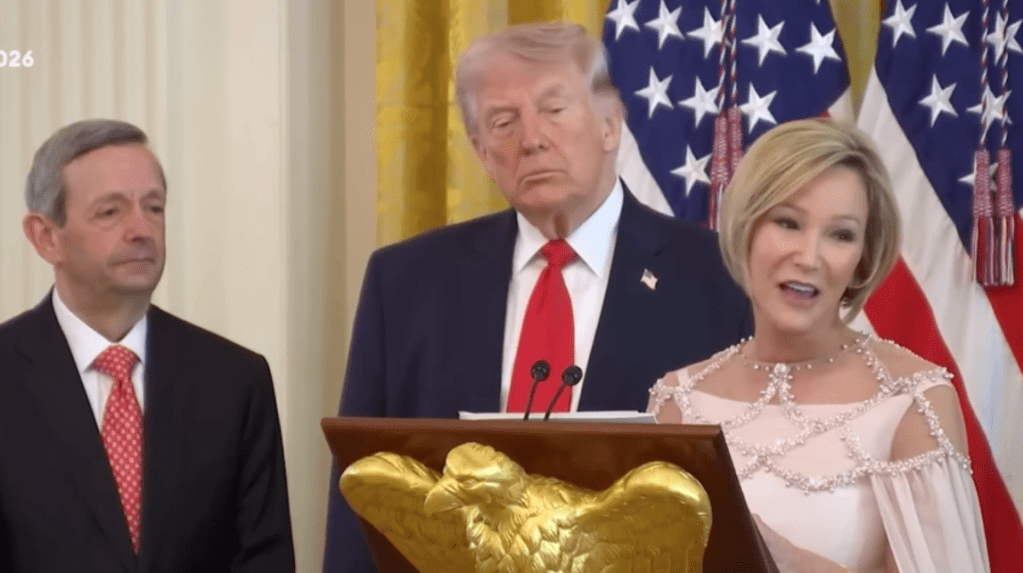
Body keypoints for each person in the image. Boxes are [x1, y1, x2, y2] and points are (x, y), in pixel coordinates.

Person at [323, 21, 751, 573]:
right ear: (481, 152)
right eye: (503, 122)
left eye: (554, 109)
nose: (531, 139)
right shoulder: (405, 282)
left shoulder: (718, 278)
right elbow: (360, 495)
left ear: (610, 125)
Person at [649, 118, 989, 572]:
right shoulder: (678, 400)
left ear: (863, 256)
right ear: (745, 227)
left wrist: (789, 562)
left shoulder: (914, 401)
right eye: (788, 223)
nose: (809, 258)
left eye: (841, 234)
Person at [0, 119, 295, 572]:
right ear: (46, 237)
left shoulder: (234, 381)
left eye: (154, 208)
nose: (141, 229)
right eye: (110, 212)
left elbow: (265, 559)